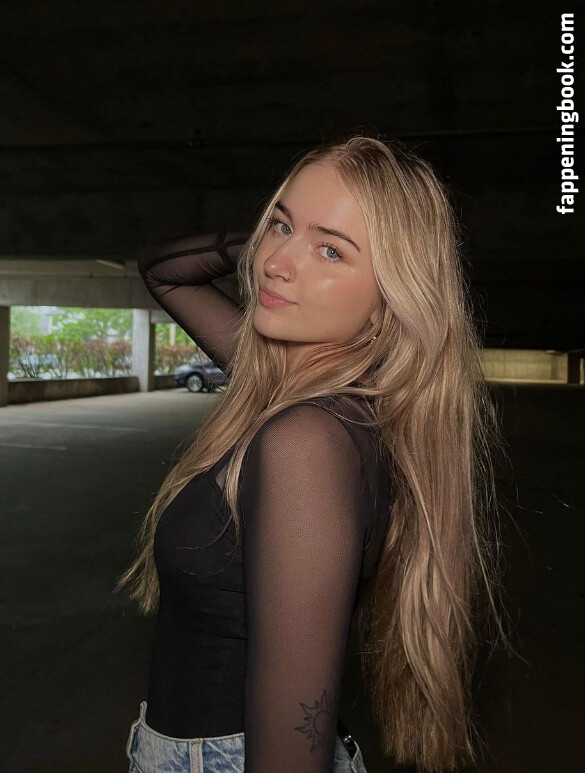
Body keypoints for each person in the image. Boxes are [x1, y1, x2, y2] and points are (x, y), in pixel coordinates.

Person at [115, 134, 504, 773]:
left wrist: (289, 239)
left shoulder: (305, 442)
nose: (277, 263)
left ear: (388, 303)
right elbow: (161, 269)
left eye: (331, 250)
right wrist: (282, 245)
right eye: (280, 224)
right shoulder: (304, 393)